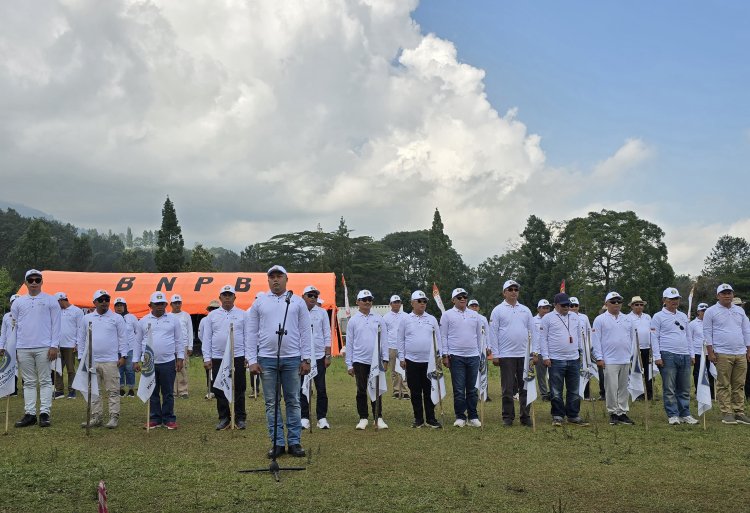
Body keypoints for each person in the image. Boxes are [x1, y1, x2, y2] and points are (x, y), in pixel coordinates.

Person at [247, 265, 311, 458]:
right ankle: (277, 442)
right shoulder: (260, 302)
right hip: (266, 359)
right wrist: (251, 359)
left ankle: (294, 442)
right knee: (271, 403)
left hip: (292, 359)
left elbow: (305, 331)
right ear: (268, 280)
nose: (275, 280)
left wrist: (306, 358)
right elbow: (251, 332)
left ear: (286, 279)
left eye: (279, 276)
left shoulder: (297, 302)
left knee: (293, 401)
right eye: (272, 277)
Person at [8, 270, 61, 428]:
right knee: (28, 382)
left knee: (45, 380)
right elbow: (15, 326)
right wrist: (14, 347)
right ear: (25, 282)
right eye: (30, 280)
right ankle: (30, 414)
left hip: (44, 346)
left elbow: (56, 325)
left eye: (37, 279)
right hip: (23, 347)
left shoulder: (51, 300)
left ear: (41, 282)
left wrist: (54, 345)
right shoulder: (18, 302)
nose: (34, 282)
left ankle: (44, 413)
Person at [77, 289, 128, 429]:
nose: (105, 302)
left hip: (111, 360)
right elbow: (81, 339)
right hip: (91, 360)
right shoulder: (86, 318)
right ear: (94, 303)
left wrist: (123, 356)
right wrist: (81, 357)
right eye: (101, 300)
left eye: (107, 299)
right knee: (93, 390)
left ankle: (114, 417)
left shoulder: (117, 318)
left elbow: (123, 338)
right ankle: (96, 416)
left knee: (113, 390)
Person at [134, 291, 185, 429]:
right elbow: (137, 341)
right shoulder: (143, 321)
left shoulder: (173, 320)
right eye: (157, 304)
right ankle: (155, 418)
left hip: (168, 361)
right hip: (149, 362)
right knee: (152, 391)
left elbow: (179, 340)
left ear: (166, 305)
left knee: (168, 392)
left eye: (162, 304)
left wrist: (180, 358)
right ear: (150, 305)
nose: (160, 307)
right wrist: (135, 360)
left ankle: (169, 418)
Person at [489, 280, 536, 427]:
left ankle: (525, 416)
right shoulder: (497, 310)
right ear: (504, 293)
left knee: (525, 387)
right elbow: (493, 333)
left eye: (516, 289)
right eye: (510, 289)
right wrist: (495, 354)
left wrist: (534, 352)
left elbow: (533, 332)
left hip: (524, 354)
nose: (514, 292)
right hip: (506, 354)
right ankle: (508, 417)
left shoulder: (526, 310)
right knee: (507, 388)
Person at [203, 284, 249, 430]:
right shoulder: (212, 316)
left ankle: (240, 418)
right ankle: (224, 418)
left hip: (238, 356)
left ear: (235, 297)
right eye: (225, 295)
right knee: (219, 388)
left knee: (239, 387)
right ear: (220, 298)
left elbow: (249, 336)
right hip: (218, 357)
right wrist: (206, 358)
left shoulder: (243, 314)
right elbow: (207, 338)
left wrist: (249, 356)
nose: (227, 298)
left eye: (230, 295)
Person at [703, 283, 750, 425]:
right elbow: (707, 332)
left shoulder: (740, 311)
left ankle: (739, 412)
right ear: (718, 296)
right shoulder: (711, 311)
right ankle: (727, 413)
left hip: (740, 352)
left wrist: (748, 349)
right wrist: (710, 352)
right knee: (723, 384)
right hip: (722, 352)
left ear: (733, 294)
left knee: (739, 384)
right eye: (724, 293)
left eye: (729, 293)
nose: (727, 295)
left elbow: (746, 330)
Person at [651, 287, 698, 425]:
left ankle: (685, 413)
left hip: (684, 354)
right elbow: (654, 337)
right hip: (667, 354)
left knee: (684, 387)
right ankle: (673, 414)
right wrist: (657, 356)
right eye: (671, 299)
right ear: (664, 300)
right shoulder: (658, 316)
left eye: (676, 298)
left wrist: (692, 353)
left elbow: (688, 336)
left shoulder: (683, 316)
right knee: (669, 387)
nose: (674, 301)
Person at [540, 292, 587, 427]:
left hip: (573, 358)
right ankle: (558, 415)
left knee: (574, 389)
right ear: (556, 305)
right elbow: (543, 338)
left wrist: (581, 352)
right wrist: (546, 356)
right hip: (556, 359)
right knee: (556, 390)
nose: (567, 307)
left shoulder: (575, 317)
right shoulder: (548, 318)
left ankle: (573, 415)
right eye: (564, 305)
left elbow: (579, 336)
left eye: (569, 305)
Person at [344, 289, 389, 430]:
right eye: (364, 299)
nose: (367, 302)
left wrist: (385, 358)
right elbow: (349, 343)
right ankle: (363, 418)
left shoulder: (379, 318)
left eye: (370, 299)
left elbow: (384, 340)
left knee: (376, 390)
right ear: (358, 302)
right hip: (359, 360)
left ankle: (378, 417)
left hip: (376, 360)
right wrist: (348, 364)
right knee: (361, 389)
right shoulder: (353, 321)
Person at [398, 290, 442, 428]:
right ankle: (418, 419)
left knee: (429, 390)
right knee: (415, 391)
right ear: (412, 303)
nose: (423, 304)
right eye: (419, 301)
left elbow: (438, 339)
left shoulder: (432, 319)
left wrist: (439, 355)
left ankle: (431, 418)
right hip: (411, 360)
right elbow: (400, 340)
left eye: (424, 301)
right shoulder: (405, 319)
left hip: (429, 362)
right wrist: (401, 357)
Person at [440, 287, 483, 428]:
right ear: (453, 300)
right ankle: (460, 416)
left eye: (465, 296)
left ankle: (473, 416)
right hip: (455, 356)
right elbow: (443, 336)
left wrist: (479, 354)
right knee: (459, 389)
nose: (463, 298)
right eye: (459, 297)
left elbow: (479, 336)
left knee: (472, 389)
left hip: (473, 356)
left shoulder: (475, 315)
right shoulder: (447, 315)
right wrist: (445, 355)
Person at [592, 292, 635, 425]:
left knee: (624, 387)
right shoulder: (600, 319)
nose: (616, 304)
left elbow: (632, 338)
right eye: (613, 302)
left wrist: (631, 355)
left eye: (619, 301)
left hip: (625, 358)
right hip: (609, 359)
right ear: (606, 304)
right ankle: (613, 412)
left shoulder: (628, 319)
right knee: (611, 387)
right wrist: (599, 357)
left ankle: (622, 412)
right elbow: (596, 340)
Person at [300, 285, 332, 430]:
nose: (313, 298)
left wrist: (328, 355)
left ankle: (321, 417)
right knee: (302, 387)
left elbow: (327, 333)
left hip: (319, 356)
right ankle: (304, 417)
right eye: (310, 295)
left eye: (315, 296)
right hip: (301, 356)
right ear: (303, 297)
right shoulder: (297, 311)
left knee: (321, 388)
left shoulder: (322, 312)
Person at [572, 297, 603, 401]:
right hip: (572, 350)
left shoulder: (584, 317)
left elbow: (589, 332)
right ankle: (575, 393)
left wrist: (589, 347)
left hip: (584, 349)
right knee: (574, 373)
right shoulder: (566, 317)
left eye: (576, 305)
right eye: (571, 306)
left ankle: (586, 394)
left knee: (585, 371)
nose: (574, 308)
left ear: (578, 306)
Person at [54, 292, 83, 399]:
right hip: (57, 345)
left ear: (61, 300)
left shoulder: (77, 311)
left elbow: (80, 328)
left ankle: (72, 390)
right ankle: (59, 391)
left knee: (70, 369)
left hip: (70, 345)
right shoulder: (56, 311)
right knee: (58, 369)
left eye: (56, 302)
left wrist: (77, 343)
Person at [113, 297, 141, 398]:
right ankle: (120, 389)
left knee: (129, 368)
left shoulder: (132, 317)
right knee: (119, 369)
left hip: (130, 347)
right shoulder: (112, 318)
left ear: (125, 306)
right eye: (117, 306)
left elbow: (138, 332)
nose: (119, 308)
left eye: (121, 305)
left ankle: (131, 389)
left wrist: (138, 346)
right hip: (117, 348)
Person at [627, 296, 653, 401]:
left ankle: (649, 393)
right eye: (636, 304)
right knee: (637, 372)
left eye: (641, 304)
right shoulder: (627, 317)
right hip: (635, 349)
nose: (639, 306)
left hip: (647, 348)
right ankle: (638, 393)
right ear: (632, 306)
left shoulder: (648, 317)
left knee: (648, 371)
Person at [383, 295, 408, 399]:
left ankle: (405, 391)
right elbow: (384, 334)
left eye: (398, 302)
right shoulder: (385, 317)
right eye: (394, 302)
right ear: (390, 304)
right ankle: (396, 391)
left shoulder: (406, 316)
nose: (396, 304)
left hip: (404, 346)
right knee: (394, 370)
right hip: (391, 346)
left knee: (404, 369)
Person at [468, 298, 493, 402]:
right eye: (472, 306)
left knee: (483, 370)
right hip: (472, 348)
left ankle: (484, 393)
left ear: (478, 307)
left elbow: (487, 333)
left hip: (482, 348)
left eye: (475, 306)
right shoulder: (466, 317)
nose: (474, 307)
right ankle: (473, 393)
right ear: (468, 307)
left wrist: (489, 346)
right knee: (472, 372)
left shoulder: (483, 318)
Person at [170, 294, 194, 399]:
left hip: (183, 344)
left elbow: (190, 331)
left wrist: (190, 346)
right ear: (171, 304)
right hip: (170, 345)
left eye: (179, 303)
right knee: (171, 368)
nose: (177, 305)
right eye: (175, 303)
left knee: (182, 367)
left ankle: (183, 390)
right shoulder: (168, 315)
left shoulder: (186, 315)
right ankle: (173, 391)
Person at [690, 302, 714, 399]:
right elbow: (690, 339)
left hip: (710, 352)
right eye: (702, 311)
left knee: (711, 372)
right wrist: (691, 354)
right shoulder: (692, 324)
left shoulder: (712, 322)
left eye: (706, 311)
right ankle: (698, 392)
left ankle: (712, 394)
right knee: (698, 372)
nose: (704, 312)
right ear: (698, 312)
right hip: (698, 352)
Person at [198, 300, 219, 399]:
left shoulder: (222, 319)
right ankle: (210, 390)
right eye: (212, 309)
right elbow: (201, 335)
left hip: (219, 350)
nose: (213, 310)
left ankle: (220, 389)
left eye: (216, 308)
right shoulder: (204, 320)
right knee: (209, 370)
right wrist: (207, 344)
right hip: (208, 349)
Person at [0, 294, 20, 397]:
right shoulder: (6, 316)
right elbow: (3, 332)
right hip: (10, 345)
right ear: (11, 303)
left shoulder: (24, 315)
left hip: (22, 345)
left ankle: (26, 389)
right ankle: (12, 390)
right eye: (13, 302)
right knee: (11, 367)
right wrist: (1, 346)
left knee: (24, 367)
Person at [533, 299, 552, 401]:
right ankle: (544, 394)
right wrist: (534, 353)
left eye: (547, 308)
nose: (546, 310)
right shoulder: (533, 320)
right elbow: (533, 338)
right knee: (541, 375)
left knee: (553, 374)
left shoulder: (552, 319)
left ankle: (552, 392)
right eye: (543, 308)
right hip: (539, 352)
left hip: (551, 351)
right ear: (538, 309)